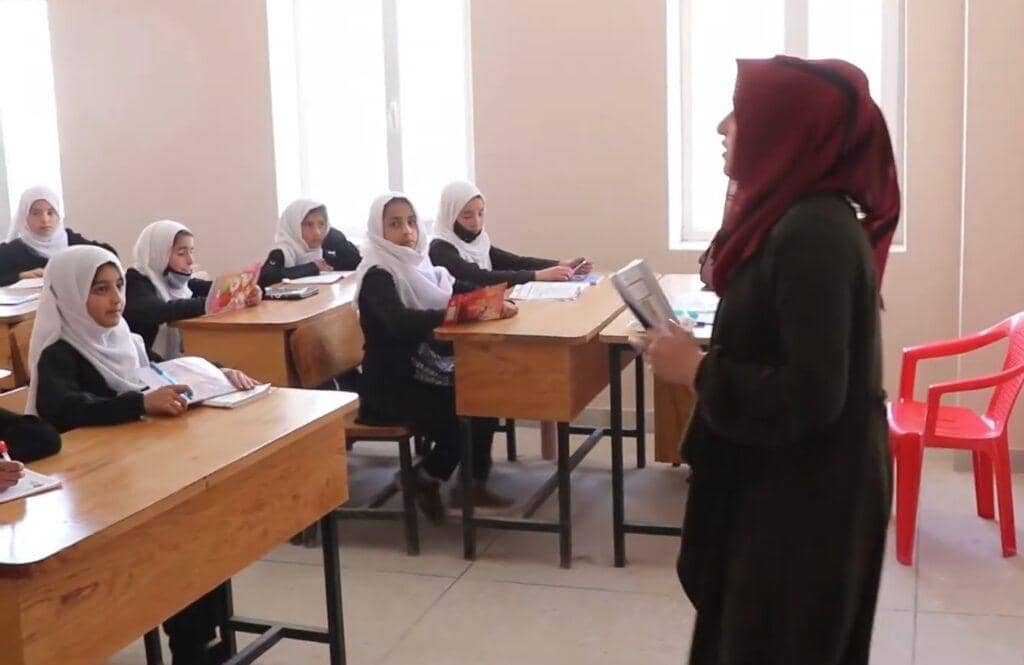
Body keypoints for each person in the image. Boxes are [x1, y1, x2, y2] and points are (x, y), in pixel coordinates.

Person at [644, 56, 899, 665]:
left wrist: (699, 372)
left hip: (807, 505)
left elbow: (812, 393)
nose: (722, 126)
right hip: (791, 485)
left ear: (788, 130)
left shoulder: (814, 233)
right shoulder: (792, 219)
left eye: (742, 112)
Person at [27, 245, 257, 665]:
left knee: (200, 530)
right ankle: (191, 645)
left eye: (118, 286)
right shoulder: (59, 353)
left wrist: (216, 372)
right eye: (100, 289)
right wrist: (137, 404)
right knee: (171, 547)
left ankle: (207, 639)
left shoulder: (124, 340)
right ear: (69, 295)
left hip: (135, 475)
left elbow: (164, 371)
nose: (116, 298)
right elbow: (65, 408)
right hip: (88, 498)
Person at [356, 192, 517, 521]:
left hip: (424, 368)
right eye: (395, 223)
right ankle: (423, 477)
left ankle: (470, 484)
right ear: (378, 229)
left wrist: (491, 302)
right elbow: (400, 323)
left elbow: (459, 287)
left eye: (412, 222)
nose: (407, 231)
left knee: (484, 396)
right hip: (390, 385)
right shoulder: (378, 273)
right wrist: (458, 314)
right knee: (464, 412)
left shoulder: (421, 264)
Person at [125, 219, 260, 360]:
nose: (190, 260)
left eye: (191, 251)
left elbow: (213, 289)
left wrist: (246, 291)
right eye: (181, 253)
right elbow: (160, 311)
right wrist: (212, 303)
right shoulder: (135, 280)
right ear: (158, 254)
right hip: (146, 367)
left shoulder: (176, 281)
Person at [429, 180, 591, 286]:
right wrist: (537, 275)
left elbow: (514, 262)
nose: (476, 221)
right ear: (450, 215)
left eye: (481, 213)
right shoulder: (441, 249)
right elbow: (480, 277)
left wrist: (560, 264)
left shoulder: (476, 241)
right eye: (467, 215)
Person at [0, 186, 117, 286]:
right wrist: (20, 276)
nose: (45, 220)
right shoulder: (12, 250)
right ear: (24, 217)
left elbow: (109, 255)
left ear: (59, 215)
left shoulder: (70, 240)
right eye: (36, 213)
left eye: (50, 213)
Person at [258, 198, 361, 287]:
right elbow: (266, 278)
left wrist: (339, 241)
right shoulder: (282, 252)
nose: (317, 232)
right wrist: (312, 267)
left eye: (321, 224)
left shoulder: (325, 247)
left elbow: (358, 264)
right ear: (294, 226)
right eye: (308, 225)